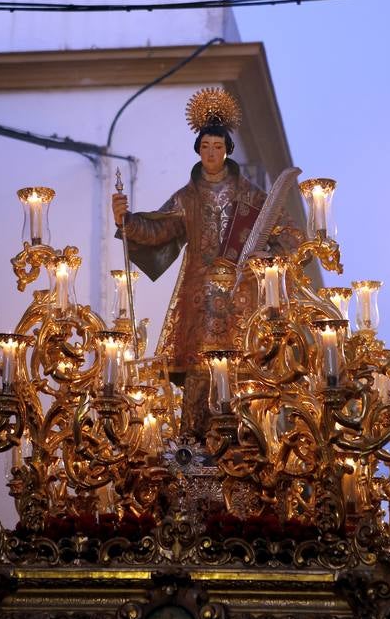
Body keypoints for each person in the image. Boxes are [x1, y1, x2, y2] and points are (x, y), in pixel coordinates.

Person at [112, 89, 294, 439]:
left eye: (218, 146)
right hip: (198, 299)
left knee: (242, 367)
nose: (212, 153)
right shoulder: (187, 197)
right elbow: (159, 228)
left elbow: (283, 230)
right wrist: (127, 220)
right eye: (206, 146)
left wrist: (268, 257)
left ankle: (246, 436)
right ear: (199, 151)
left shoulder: (251, 195)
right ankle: (193, 440)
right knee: (198, 367)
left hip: (241, 298)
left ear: (227, 150)